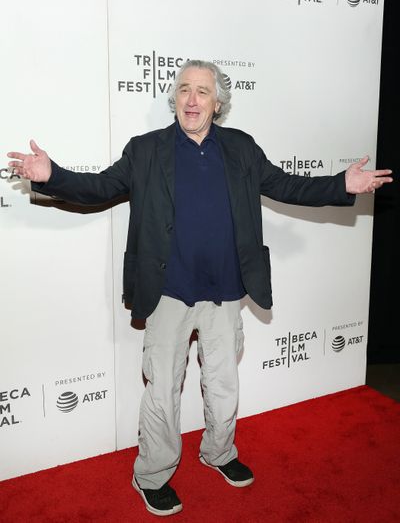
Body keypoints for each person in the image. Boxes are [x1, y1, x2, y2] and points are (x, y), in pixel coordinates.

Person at [7, 60, 392, 517]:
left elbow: (285, 185)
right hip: (168, 291)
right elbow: (101, 187)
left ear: (218, 102)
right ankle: (151, 474)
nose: (192, 99)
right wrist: (55, 175)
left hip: (226, 293)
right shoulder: (146, 150)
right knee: (162, 392)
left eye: (203, 92)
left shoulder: (241, 149)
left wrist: (340, 184)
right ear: (175, 98)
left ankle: (219, 452)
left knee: (224, 387)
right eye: (185, 89)